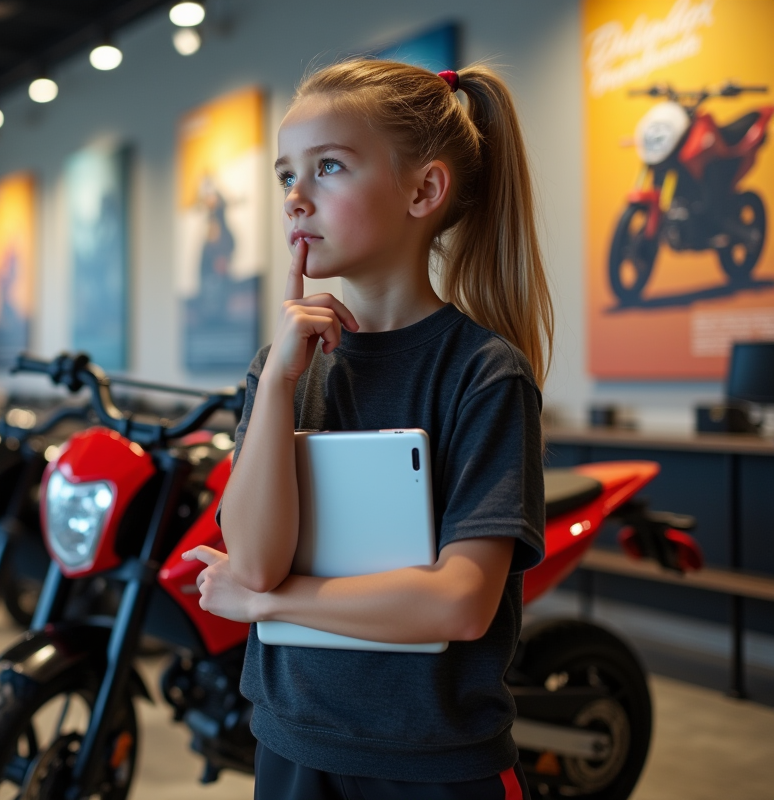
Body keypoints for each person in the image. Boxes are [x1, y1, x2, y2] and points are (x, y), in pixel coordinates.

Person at [183, 60, 553, 800]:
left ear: (424, 190)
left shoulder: (483, 374)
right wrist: (281, 383)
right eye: (287, 174)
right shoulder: (281, 370)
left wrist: (268, 606)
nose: (295, 197)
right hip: (291, 745)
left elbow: (458, 602)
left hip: (435, 764)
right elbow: (253, 561)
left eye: (328, 167)